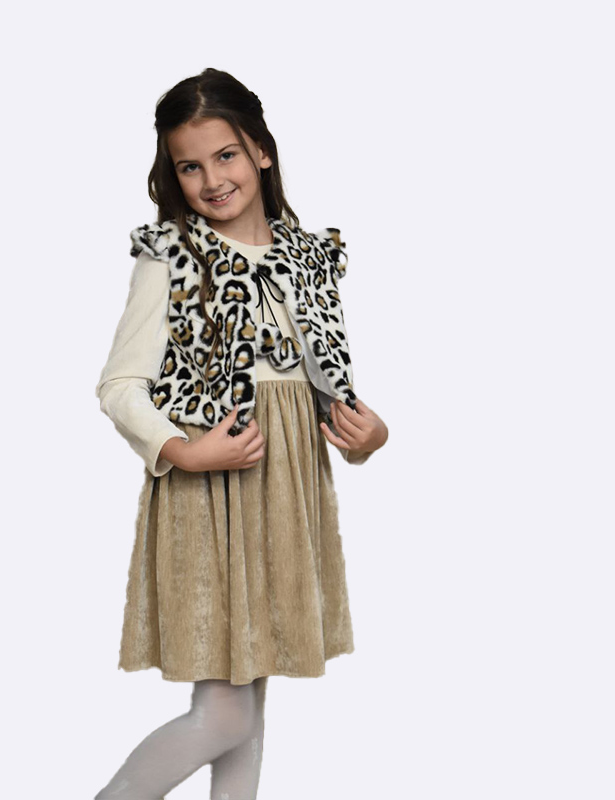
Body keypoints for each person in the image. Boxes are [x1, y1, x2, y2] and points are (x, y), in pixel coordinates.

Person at [93, 67, 388, 800]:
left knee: (248, 710)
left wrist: (367, 435)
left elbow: (325, 389)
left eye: (225, 155)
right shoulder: (174, 257)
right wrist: (183, 450)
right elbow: (120, 386)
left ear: (261, 150)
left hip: (285, 495)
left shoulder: (308, 260)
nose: (211, 179)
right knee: (225, 714)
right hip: (211, 494)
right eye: (189, 166)